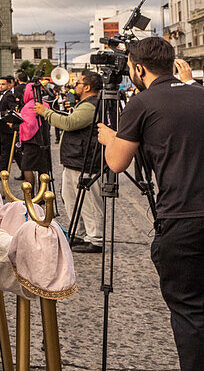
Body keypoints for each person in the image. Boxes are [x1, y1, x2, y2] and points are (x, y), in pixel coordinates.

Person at [98, 37, 204, 371]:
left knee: (190, 313)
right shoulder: (200, 93)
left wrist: (108, 139)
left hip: (181, 221)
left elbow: (117, 163)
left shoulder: (142, 104)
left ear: (139, 68)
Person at [35, 70, 102, 253]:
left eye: (79, 83)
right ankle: (80, 235)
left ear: (87, 87)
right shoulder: (85, 104)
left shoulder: (91, 105)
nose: (75, 86)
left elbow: (70, 123)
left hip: (84, 162)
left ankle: (96, 239)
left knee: (89, 202)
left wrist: (45, 112)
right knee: (71, 200)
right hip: (75, 160)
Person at [0, 75, 18, 174]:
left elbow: (12, 110)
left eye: (3, 84)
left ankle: (2, 170)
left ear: (9, 85)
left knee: (7, 150)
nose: (0, 86)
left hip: (7, 126)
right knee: (5, 150)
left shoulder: (9, 95)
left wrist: (0, 114)